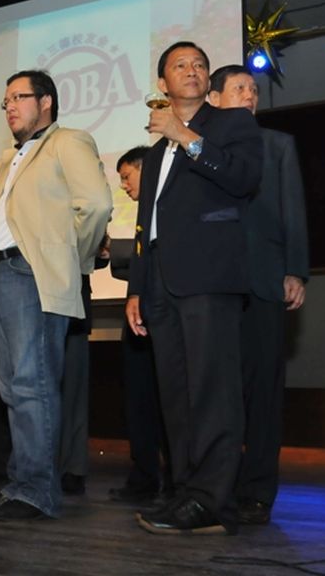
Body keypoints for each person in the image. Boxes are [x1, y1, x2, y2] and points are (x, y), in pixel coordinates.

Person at [0, 69, 112, 520]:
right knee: (14, 387)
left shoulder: (67, 141)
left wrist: (68, 259)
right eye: (7, 101)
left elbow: (97, 204)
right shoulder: (7, 158)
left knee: (30, 384)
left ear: (46, 102)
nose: (11, 107)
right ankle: (23, 484)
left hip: (30, 271)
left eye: (19, 97)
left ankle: (36, 491)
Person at [127, 42, 262, 535]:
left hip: (208, 275)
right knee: (177, 394)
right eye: (180, 65)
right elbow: (146, 222)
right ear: (162, 84)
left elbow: (244, 178)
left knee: (213, 391)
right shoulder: (154, 152)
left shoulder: (231, 123)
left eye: (200, 65)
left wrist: (184, 134)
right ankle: (186, 492)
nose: (193, 70)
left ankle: (213, 501)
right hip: (160, 281)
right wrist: (137, 287)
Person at [207, 65, 309, 525]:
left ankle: (258, 490)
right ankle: (214, 485)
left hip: (265, 279)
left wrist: (295, 270)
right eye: (239, 88)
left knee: (263, 391)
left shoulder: (277, 144)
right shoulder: (199, 147)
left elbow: (293, 210)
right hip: (212, 284)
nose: (249, 95)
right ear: (214, 99)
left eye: (253, 89)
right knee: (216, 390)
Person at [107, 146, 172, 506]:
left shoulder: (171, 204)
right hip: (137, 314)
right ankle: (144, 476)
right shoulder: (141, 216)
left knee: (168, 399)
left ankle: (176, 480)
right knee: (138, 400)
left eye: (126, 177)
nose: (124, 186)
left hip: (166, 312)